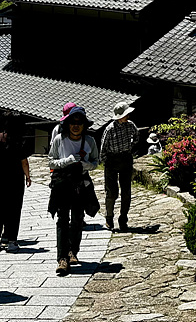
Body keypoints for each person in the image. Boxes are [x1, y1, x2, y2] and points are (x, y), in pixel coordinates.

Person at [47, 102, 99, 276]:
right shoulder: (59, 140)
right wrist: (67, 161)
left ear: (84, 125)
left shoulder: (90, 141)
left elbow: (95, 162)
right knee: (62, 219)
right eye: (72, 122)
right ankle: (62, 258)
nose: (76, 126)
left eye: (79, 123)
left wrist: (85, 165)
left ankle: (72, 251)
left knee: (77, 219)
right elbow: (51, 162)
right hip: (62, 183)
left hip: (80, 184)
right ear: (67, 124)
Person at [0, 112, 32, 252]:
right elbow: (24, 162)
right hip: (15, 178)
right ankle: (11, 241)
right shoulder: (19, 140)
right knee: (14, 209)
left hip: (0, 177)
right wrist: (28, 176)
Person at [100, 100, 138, 231]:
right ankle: (109, 217)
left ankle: (123, 219)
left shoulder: (131, 125)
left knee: (126, 192)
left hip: (126, 158)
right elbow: (103, 147)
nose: (127, 116)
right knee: (111, 192)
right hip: (112, 160)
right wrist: (105, 162)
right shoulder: (110, 129)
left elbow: (136, 136)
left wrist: (130, 147)